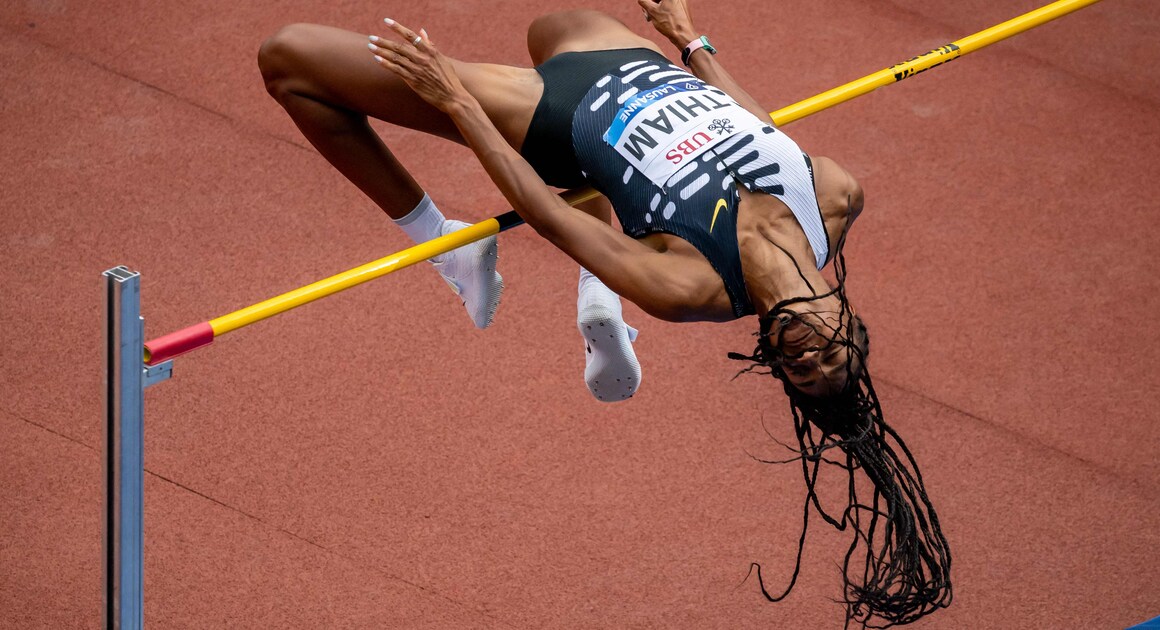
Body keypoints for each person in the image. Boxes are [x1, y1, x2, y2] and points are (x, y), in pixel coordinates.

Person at [257, 2, 951, 625]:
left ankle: (446, 248)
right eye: (833, 353)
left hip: (567, 117)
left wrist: (457, 98)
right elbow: (757, 130)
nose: (811, 353)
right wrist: (690, 41)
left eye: (799, 369)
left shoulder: (693, 287)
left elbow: (547, 217)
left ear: (771, 354)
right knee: (549, 24)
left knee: (291, 59)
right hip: (635, 62)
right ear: (850, 321)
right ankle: (598, 286)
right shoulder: (835, 197)